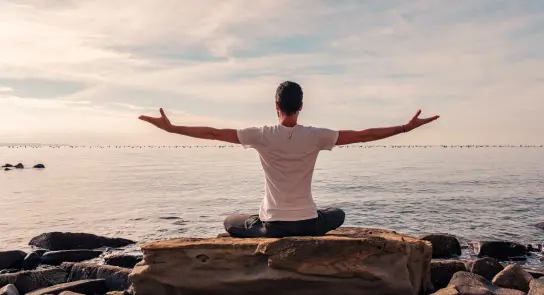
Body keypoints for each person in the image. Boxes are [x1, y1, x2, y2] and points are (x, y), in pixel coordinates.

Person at [139, 81, 439, 238]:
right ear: (301, 107)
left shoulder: (261, 134)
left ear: (276, 105)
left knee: (231, 221)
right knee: (337, 214)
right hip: (308, 223)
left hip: (273, 228)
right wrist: (403, 128)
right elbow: (363, 135)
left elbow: (214, 133)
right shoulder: (317, 135)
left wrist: (173, 128)